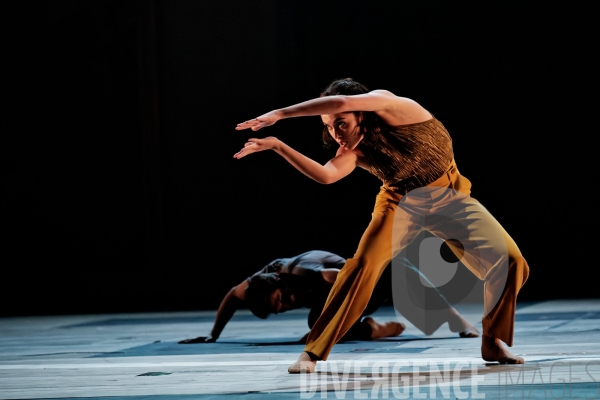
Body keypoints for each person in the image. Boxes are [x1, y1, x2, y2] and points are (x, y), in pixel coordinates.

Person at [234, 78, 530, 372]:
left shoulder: (394, 106)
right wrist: (277, 146)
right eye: (327, 126)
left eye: (341, 124)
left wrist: (280, 114)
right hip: (400, 204)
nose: (335, 133)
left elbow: (342, 102)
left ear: (361, 112)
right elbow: (327, 176)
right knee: (362, 265)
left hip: (449, 198)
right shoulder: (353, 149)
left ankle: (491, 341)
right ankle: (312, 353)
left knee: (511, 261)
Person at [177, 250, 479, 344]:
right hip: (334, 300)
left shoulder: (308, 274)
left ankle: (460, 322)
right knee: (317, 325)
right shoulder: (256, 285)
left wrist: (320, 331)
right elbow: (232, 295)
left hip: (367, 283)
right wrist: (213, 335)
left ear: (280, 283)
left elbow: (354, 280)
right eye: (277, 310)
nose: (283, 308)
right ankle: (373, 328)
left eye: (280, 300)